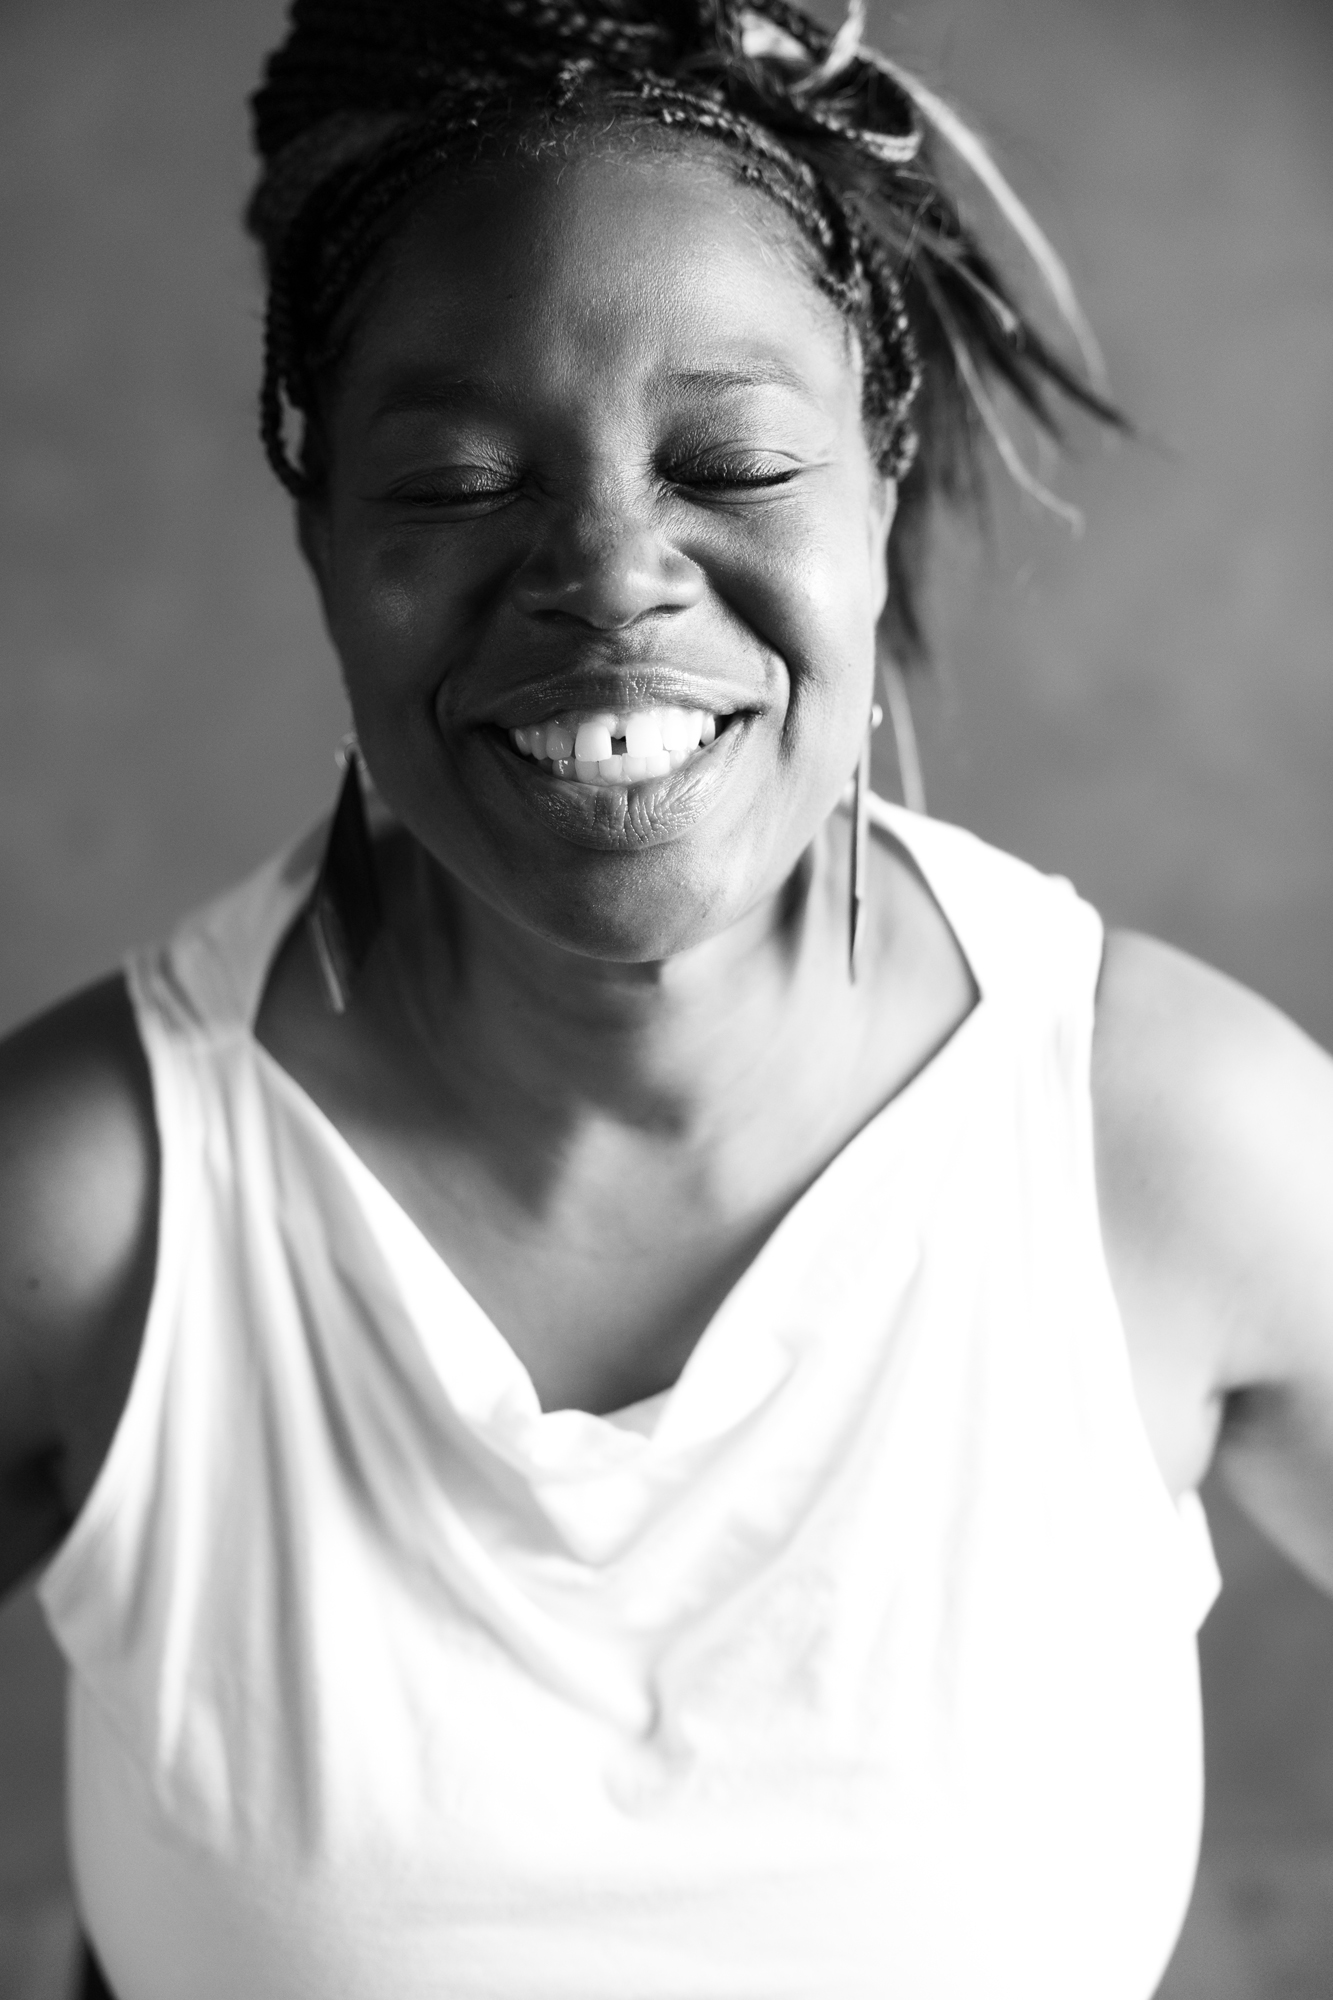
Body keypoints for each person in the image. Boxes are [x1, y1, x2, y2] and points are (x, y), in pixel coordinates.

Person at [0, 2, 1329, 1995]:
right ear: (323, 535)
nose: (611, 579)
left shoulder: (1173, 1144)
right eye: (453, 484)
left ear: (875, 484)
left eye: (730, 459)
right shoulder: (93, 1207)